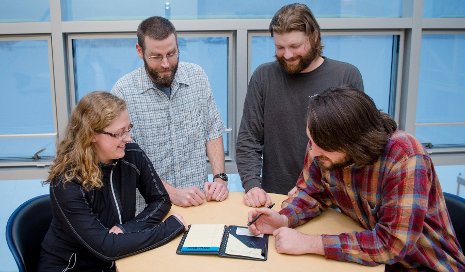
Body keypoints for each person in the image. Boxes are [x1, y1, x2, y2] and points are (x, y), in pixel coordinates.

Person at [247, 86, 465, 271]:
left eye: (320, 147)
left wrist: (310, 243)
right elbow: (311, 192)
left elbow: (391, 244)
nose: (312, 153)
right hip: (368, 261)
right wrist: (284, 219)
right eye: (310, 141)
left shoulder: (405, 157)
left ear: (353, 144)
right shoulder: (322, 144)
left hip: (422, 265)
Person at [38, 92, 187, 272]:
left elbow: (161, 199)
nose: (128, 138)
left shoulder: (131, 155)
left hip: (116, 262)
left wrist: (127, 229)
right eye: (118, 133)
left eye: (128, 129)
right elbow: (106, 247)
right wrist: (170, 228)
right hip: (71, 268)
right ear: (91, 134)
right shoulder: (66, 182)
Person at [236, 3, 364, 208]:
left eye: (295, 46)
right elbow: (248, 139)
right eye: (280, 47)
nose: (287, 55)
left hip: (332, 202)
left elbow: (355, 147)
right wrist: (252, 185)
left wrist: (312, 189)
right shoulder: (263, 76)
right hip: (276, 200)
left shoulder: (346, 76)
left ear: (314, 37)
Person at [112, 16, 228, 209]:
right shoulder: (123, 92)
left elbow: (212, 132)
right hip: (150, 210)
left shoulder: (197, 77)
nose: (166, 64)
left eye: (171, 53)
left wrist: (220, 178)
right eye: (156, 56)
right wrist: (171, 193)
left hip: (199, 203)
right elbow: (125, 160)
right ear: (140, 51)